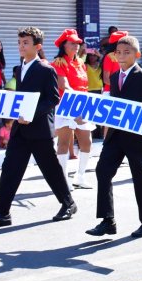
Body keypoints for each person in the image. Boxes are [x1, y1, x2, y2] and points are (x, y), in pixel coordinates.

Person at [0, 27, 77, 229]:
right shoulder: (18, 68)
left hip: (39, 130)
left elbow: (52, 99)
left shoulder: (46, 69)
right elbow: (17, 100)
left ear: (38, 47)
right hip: (20, 130)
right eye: (20, 42)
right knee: (10, 169)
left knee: (50, 169)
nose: (21, 46)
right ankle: (2, 212)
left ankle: (68, 203)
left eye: (26, 43)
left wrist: (30, 115)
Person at [85, 35, 142, 239]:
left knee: (141, 176)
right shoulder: (115, 76)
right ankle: (107, 220)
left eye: (127, 52)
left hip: (136, 136)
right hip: (116, 135)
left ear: (136, 54)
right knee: (103, 171)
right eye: (118, 52)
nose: (121, 56)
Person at [52, 29, 95, 189]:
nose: (76, 46)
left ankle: (80, 177)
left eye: (78, 43)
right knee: (63, 142)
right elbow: (63, 85)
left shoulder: (80, 63)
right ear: (64, 45)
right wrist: (78, 101)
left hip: (82, 105)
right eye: (72, 43)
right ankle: (62, 180)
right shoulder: (58, 63)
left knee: (86, 142)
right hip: (66, 105)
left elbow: (84, 85)